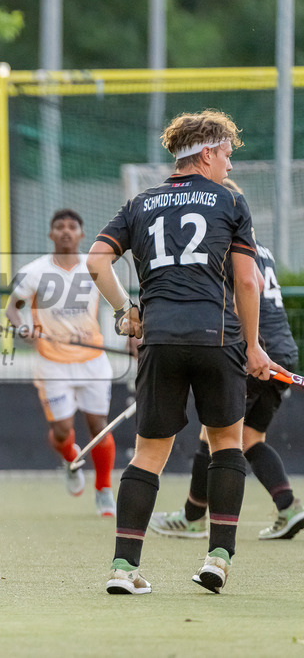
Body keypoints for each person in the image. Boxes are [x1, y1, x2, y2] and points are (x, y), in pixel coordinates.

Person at [87, 110, 286, 595]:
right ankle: (217, 560)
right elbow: (247, 279)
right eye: (227, 155)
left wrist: (123, 312)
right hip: (218, 341)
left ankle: (122, 568)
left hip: (158, 340)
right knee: (225, 444)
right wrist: (255, 347)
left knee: (149, 454)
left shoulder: (140, 202)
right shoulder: (230, 203)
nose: (230, 167)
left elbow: (96, 261)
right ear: (206, 153)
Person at [150, 187, 302, 541]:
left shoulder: (226, 244)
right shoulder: (256, 246)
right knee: (249, 437)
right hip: (283, 349)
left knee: (214, 432)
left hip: (256, 352)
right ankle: (289, 507)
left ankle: (191, 517)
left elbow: (250, 285)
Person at [6, 209, 116, 516]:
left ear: (82, 234)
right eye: (59, 227)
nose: (66, 231)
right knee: (61, 431)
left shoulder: (95, 267)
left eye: (72, 227)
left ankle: (104, 489)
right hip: (52, 363)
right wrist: (21, 327)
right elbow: (12, 310)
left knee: (99, 427)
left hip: (93, 360)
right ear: (51, 234)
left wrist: (132, 333)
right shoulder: (35, 271)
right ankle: (70, 458)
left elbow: (120, 305)